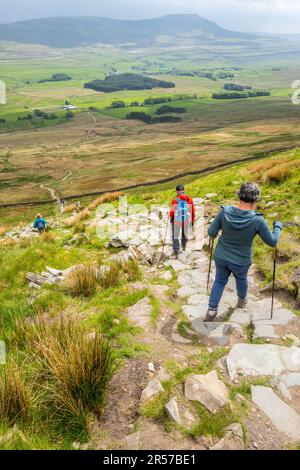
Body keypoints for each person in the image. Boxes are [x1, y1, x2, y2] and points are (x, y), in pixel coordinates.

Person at [205, 182, 282, 322]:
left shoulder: (224, 211)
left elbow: (211, 232)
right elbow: (273, 242)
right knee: (241, 279)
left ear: (239, 195)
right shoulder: (257, 220)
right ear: (255, 199)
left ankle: (211, 310)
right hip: (241, 260)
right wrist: (277, 226)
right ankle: (241, 301)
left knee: (220, 281)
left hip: (221, 255)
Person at [170, 184, 195, 259]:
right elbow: (192, 210)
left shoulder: (175, 200)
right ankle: (184, 246)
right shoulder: (189, 199)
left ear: (177, 191)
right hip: (186, 219)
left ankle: (176, 251)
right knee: (184, 233)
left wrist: (171, 217)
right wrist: (192, 220)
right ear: (184, 190)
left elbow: (172, 211)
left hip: (176, 219)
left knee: (175, 234)